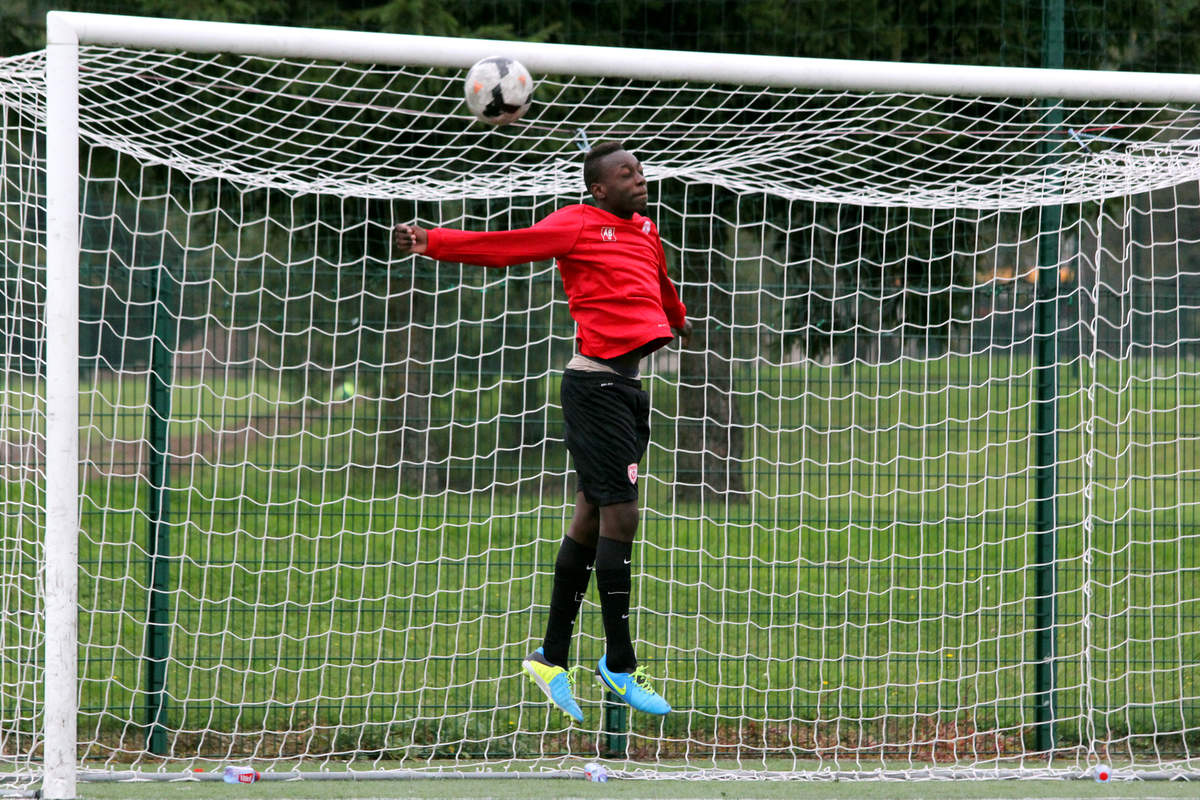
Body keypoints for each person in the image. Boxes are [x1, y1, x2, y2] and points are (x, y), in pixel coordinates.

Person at [392, 141, 691, 722]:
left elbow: (659, 282)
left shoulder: (647, 230)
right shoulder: (577, 223)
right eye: (624, 173)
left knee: (590, 513)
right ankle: (619, 664)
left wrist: (675, 319)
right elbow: (507, 249)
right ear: (599, 189)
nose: (638, 177)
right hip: (595, 387)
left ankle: (551, 658)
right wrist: (433, 242)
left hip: (626, 388)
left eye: (640, 170)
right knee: (623, 515)